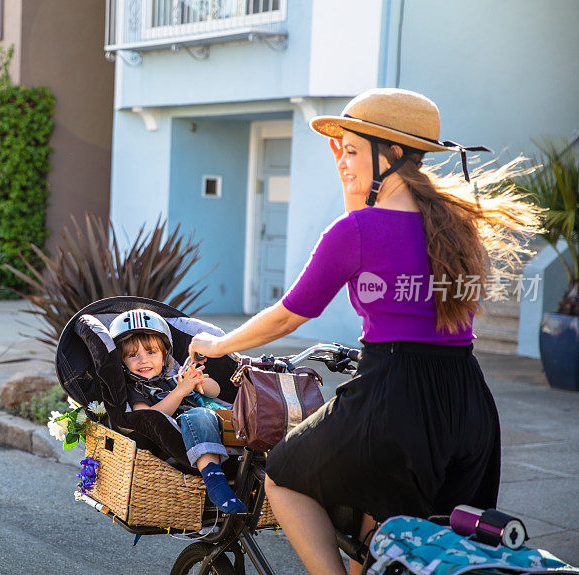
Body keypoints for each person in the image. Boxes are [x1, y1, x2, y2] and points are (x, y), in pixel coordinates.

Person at [188, 88, 540, 574]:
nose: (344, 163)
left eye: (352, 151)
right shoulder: (459, 225)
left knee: (284, 476)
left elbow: (290, 315)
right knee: (406, 544)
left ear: (392, 154)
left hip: (392, 399)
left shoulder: (355, 231)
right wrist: (358, 178)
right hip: (469, 408)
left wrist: (217, 344)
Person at [109, 309, 247, 514]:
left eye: (151, 352)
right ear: (122, 362)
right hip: (185, 434)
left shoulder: (177, 372)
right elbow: (149, 418)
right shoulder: (135, 389)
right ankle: (215, 482)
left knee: (246, 410)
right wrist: (180, 391)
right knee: (198, 416)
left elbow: (215, 390)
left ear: (165, 354)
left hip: (222, 423)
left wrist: (199, 382)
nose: (143, 360)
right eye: (132, 355)